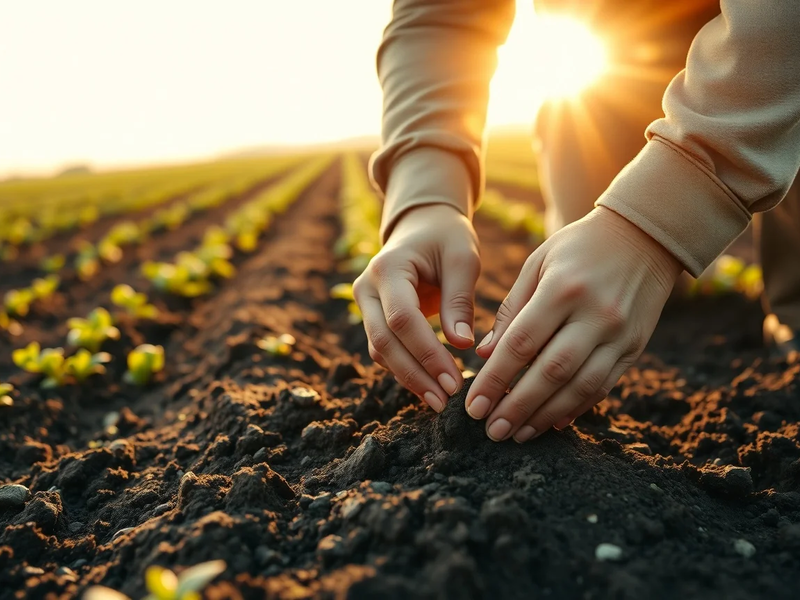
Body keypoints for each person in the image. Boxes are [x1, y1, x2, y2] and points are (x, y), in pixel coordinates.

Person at [353, 0, 800, 444]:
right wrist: (426, 195)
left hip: (766, 43)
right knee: (588, 280)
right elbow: (441, 12)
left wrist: (649, 226)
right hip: (617, 61)